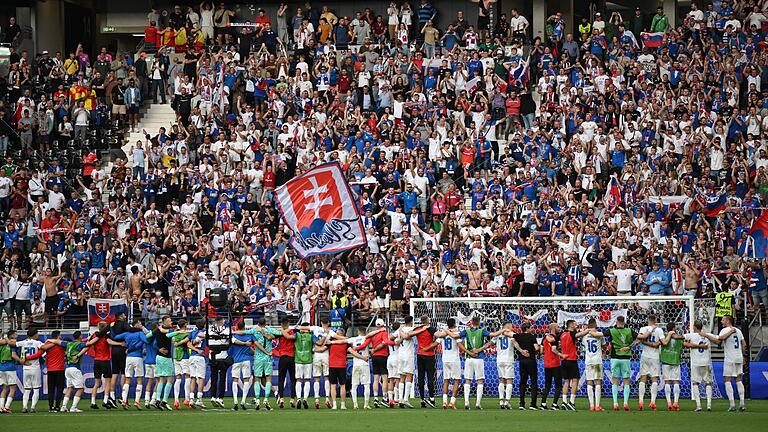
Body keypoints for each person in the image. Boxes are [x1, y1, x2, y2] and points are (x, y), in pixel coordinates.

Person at [110, 319, 149, 409]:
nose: (140, 324)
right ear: (135, 325)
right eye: (139, 323)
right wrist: (140, 342)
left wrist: (111, 328)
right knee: (139, 380)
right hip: (138, 357)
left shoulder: (126, 334)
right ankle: (137, 401)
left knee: (128, 379)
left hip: (129, 358)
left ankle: (124, 400)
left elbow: (114, 337)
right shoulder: (139, 334)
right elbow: (147, 340)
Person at [684, 320, 717, 412]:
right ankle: (709, 404)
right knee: (708, 383)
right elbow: (718, 340)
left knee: (695, 383)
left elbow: (684, 342)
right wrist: (702, 346)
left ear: (694, 327)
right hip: (706, 362)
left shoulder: (691, 335)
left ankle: (698, 405)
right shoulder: (708, 335)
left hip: (695, 363)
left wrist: (693, 345)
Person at [559, 320, 592, 410]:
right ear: (571, 325)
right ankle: (572, 402)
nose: (576, 325)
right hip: (571, 360)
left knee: (566, 381)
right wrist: (589, 330)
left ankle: (564, 402)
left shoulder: (562, 334)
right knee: (575, 381)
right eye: (575, 323)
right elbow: (578, 335)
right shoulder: (572, 333)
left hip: (564, 360)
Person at [606, 315, 636, 411]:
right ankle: (625, 403)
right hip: (625, 358)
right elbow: (640, 338)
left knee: (615, 380)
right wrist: (629, 346)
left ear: (616, 321)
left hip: (615, 358)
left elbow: (599, 334)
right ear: (624, 321)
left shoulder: (611, 331)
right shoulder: (629, 331)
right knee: (626, 380)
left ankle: (615, 403)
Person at [717, 315, 746, 411]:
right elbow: (744, 344)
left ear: (728, 321)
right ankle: (742, 403)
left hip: (730, 358)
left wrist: (729, 332)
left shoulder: (725, 330)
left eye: (723, 319)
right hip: (739, 357)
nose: (721, 321)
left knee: (727, 380)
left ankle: (732, 404)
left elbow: (720, 339)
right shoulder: (738, 330)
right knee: (738, 380)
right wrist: (743, 356)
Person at [636, 315, 665, 411]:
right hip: (655, 357)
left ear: (647, 320)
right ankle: (652, 402)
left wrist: (645, 343)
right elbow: (662, 342)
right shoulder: (659, 330)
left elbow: (640, 339)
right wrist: (655, 344)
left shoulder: (643, 328)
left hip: (645, 355)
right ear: (655, 320)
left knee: (643, 378)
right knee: (654, 379)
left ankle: (640, 401)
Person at [434, 318, 462, 409]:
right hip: (454, 359)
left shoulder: (443, 334)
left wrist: (426, 348)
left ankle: (444, 402)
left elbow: (435, 344)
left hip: (445, 359)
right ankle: (452, 402)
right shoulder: (456, 333)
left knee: (446, 380)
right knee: (456, 380)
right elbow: (460, 345)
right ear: (454, 324)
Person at [411, 315, 437, 408]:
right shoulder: (431, 329)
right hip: (429, 355)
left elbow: (409, 334)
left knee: (421, 377)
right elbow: (439, 338)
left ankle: (422, 399)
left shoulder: (417, 329)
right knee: (430, 377)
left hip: (419, 355)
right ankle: (432, 399)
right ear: (428, 320)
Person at [17, 328, 44, 412]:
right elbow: (44, 348)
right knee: (36, 389)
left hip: (26, 368)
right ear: (35, 334)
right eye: (37, 333)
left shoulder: (23, 342)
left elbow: (13, 344)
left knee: (27, 389)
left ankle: (24, 407)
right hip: (35, 367)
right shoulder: (37, 342)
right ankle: (32, 407)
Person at [230, 319, 255, 410]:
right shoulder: (249, 337)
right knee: (246, 380)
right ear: (244, 327)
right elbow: (251, 351)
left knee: (235, 380)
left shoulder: (233, 335)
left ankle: (235, 400)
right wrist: (249, 347)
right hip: (246, 360)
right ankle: (243, 400)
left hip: (236, 360)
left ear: (237, 327)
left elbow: (232, 342)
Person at [659, 322, 684, 411]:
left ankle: (669, 402)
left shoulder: (664, 337)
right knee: (676, 381)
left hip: (665, 361)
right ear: (674, 328)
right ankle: (676, 402)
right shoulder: (679, 338)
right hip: (675, 361)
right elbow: (682, 348)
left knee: (667, 382)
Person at [61, 331, 88, 413]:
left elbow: (59, 342)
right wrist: (78, 355)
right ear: (80, 336)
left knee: (70, 388)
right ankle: (73, 407)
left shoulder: (68, 344)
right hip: (75, 369)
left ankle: (63, 407)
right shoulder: (79, 344)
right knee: (81, 388)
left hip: (68, 368)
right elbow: (88, 345)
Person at [580, 319, 604, 411]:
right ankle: (597, 406)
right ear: (595, 325)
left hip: (588, 360)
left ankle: (591, 405)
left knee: (589, 381)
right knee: (597, 381)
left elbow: (583, 348)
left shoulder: (584, 336)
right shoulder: (599, 334)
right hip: (597, 360)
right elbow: (604, 345)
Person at [540, 323, 564, 410]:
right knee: (558, 385)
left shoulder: (544, 338)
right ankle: (554, 404)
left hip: (547, 364)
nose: (559, 328)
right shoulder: (555, 339)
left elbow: (541, 350)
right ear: (553, 328)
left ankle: (543, 404)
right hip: (555, 363)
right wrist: (561, 354)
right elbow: (554, 349)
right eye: (557, 327)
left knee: (547, 385)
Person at [348, 327, 372, 409]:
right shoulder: (366, 338)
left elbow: (343, 341)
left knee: (354, 385)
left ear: (358, 331)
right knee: (366, 385)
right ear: (365, 332)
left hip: (356, 364)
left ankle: (355, 404)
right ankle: (366, 404)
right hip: (364, 364)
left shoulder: (353, 339)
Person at [293, 322, 316, 409]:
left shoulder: (296, 335)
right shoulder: (311, 336)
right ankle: (305, 399)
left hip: (298, 360)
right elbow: (318, 342)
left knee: (298, 380)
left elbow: (289, 337)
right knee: (307, 380)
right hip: (308, 360)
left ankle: (298, 398)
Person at [326, 328, 350, 410]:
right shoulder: (346, 342)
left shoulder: (331, 341)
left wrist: (315, 349)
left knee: (333, 385)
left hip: (332, 365)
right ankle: (343, 404)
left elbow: (323, 348)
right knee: (342, 385)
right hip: (342, 365)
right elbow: (351, 350)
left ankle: (335, 404)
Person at [0, 330, 21, 413]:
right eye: (15, 334)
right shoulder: (13, 344)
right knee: (13, 388)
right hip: (10, 367)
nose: (17, 336)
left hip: (1, 367)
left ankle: (1, 407)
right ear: (11, 335)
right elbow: (13, 355)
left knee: (4, 388)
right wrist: (21, 361)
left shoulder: (2, 344)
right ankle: (7, 407)